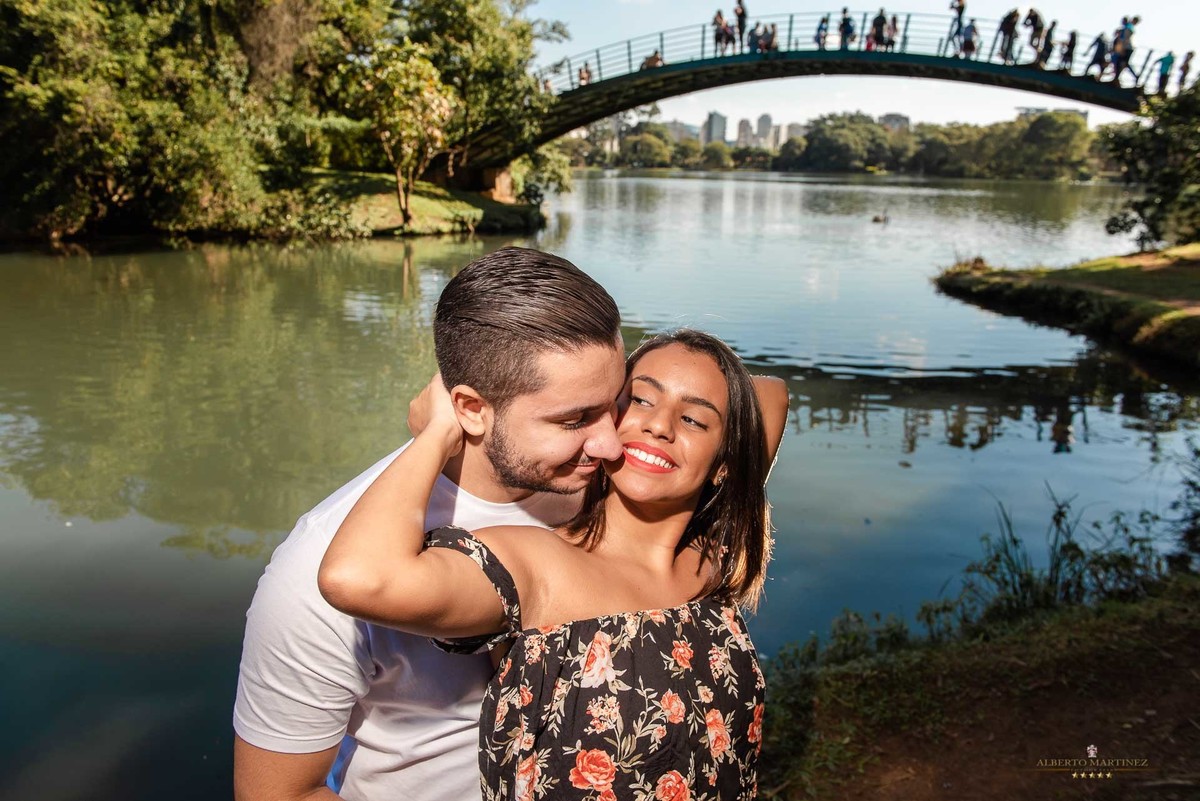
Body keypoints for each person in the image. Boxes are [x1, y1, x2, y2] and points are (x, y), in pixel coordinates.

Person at [318, 328, 790, 798]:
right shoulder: (533, 564)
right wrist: (439, 432)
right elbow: (356, 578)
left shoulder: (709, 559)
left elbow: (773, 395)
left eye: (693, 420)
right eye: (640, 401)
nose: (660, 426)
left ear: (725, 462)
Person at [232, 248, 631, 801]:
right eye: (574, 419)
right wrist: (435, 438)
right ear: (468, 408)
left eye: (619, 402)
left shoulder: (618, 477)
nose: (612, 443)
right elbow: (278, 795)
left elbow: (749, 407)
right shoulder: (318, 564)